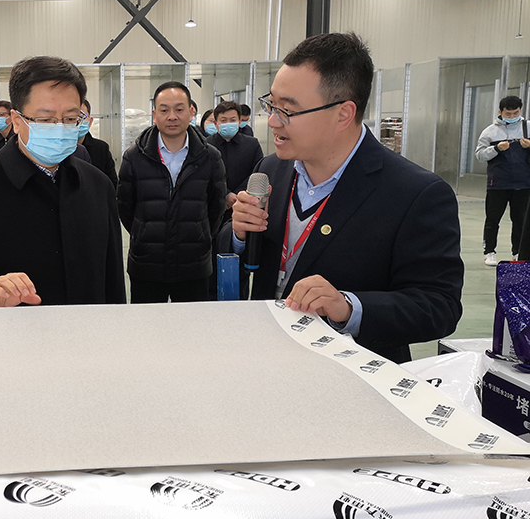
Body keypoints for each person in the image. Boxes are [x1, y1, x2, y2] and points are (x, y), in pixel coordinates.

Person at [229, 32, 463, 363]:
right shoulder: (271, 170)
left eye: (288, 110)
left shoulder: (414, 193)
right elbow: (247, 257)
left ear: (343, 113)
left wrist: (349, 307)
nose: (272, 121)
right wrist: (238, 235)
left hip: (354, 372)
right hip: (268, 356)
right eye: (271, 104)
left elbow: (439, 306)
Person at [0, 56, 126, 308]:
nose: (59, 128)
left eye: (70, 119)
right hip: (11, 329)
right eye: (45, 120)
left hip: (87, 328)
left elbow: (112, 278)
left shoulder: (97, 185)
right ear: (17, 120)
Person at [117, 82, 227, 303]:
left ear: (191, 112)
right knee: (146, 323)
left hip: (193, 265)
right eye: (164, 110)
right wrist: (144, 233)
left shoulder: (210, 157)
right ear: (154, 115)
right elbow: (125, 207)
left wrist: (200, 236)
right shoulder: (134, 157)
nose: (172, 116)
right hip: (147, 264)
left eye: (179, 109)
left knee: (191, 324)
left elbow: (217, 206)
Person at [475, 95, 530, 266]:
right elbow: (479, 155)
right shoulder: (490, 131)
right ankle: (489, 252)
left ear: (520, 110)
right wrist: (497, 148)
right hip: (497, 183)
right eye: (508, 113)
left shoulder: (528, 127)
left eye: (516, 113)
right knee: (493, 219)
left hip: (523, 183)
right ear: (500, 111)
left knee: (520, 220)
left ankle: (518, 252)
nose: (512, 116)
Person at [207, 100, 264, 211]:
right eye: (223, 120)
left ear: (239, 122)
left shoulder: (252, 144)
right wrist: (226, 194)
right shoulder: (206, 145)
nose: (228, 123)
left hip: (246, 203)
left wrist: (239, 195)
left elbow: (257, 172)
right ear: (215, 123)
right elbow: (204, 174)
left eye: (232, 120)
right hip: (213, 204)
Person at [77, 98, 118, 187]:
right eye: (71, 118)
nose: (78, 121)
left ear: (90, 121)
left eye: (82, 117)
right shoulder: (58, 150)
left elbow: (112, 184)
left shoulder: (101, 149)